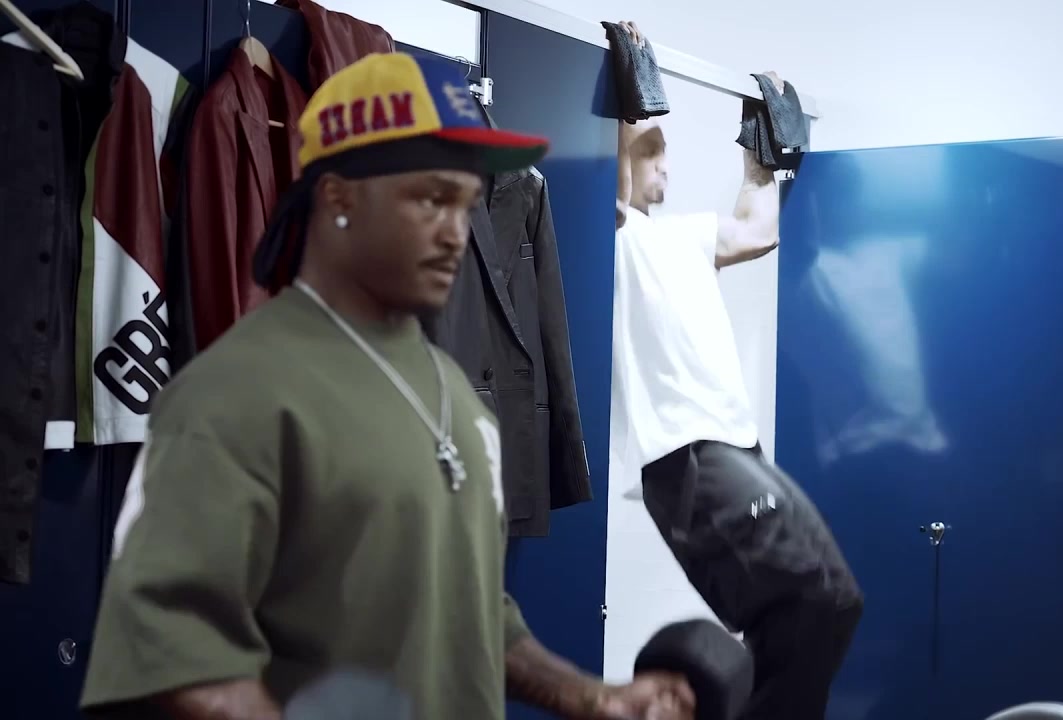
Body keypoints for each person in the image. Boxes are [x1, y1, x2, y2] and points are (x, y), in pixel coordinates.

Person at [79, 52, 694, 720]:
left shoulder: (455, 396)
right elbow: (171, 660)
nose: (456, 232)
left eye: (465, 203)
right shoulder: (235, 395)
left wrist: (589, 696)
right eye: (431, 199)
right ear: (338, 197)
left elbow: (471, 610)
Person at [609, 21, 864, 720]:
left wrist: (762, 150)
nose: (665, 162)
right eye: (652, 148)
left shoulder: (681, 238)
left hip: (734, 445)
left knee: (836, 600)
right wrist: (630, 88)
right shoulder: (617, 238)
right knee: (807, 604)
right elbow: (612, 173)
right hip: (687, 457)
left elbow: (759, 229)